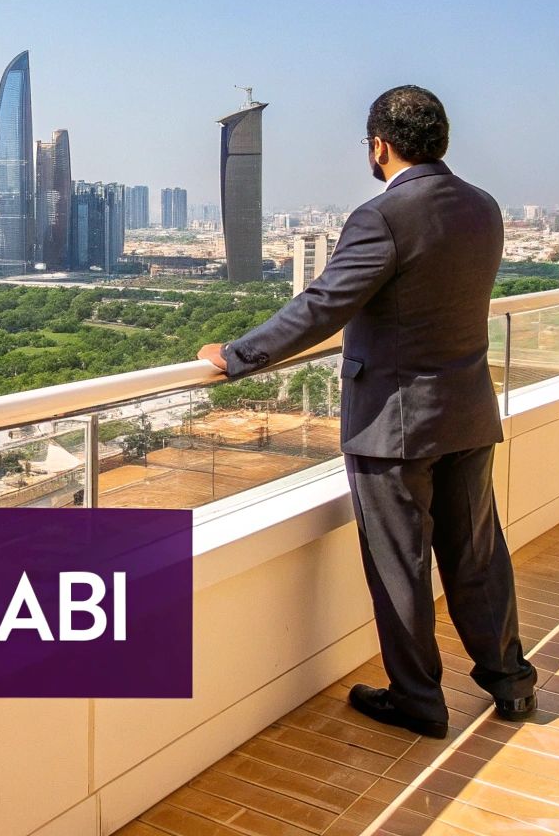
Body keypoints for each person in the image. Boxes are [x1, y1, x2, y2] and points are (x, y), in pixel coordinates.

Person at [197, 85, 535, 738]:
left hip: (396, 424)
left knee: (399, 565)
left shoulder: (383, 216)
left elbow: (322, 305)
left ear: (379, 145)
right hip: (467, 410)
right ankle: (511, 683)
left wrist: (236, 356)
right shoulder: (483, 208)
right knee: (477, 557)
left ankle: (418, 701)